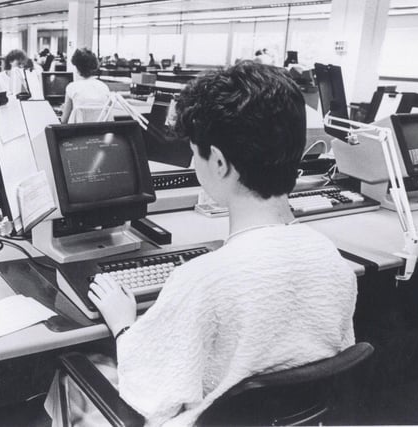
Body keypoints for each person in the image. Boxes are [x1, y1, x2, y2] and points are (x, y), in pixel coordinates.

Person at [47, 61, 357, 426]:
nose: (194, 161)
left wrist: (123, 325)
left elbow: (152, 394)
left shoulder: (202, 281)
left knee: (63, 380)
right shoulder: (331, 260)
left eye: (195, 152)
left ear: (221, 163)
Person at [60, 48, 110, 123]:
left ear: (77, 68)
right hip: (100, 133)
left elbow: (64, 121)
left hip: (77, 134)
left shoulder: (72, 87)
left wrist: (64, 110)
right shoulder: (104, 87)